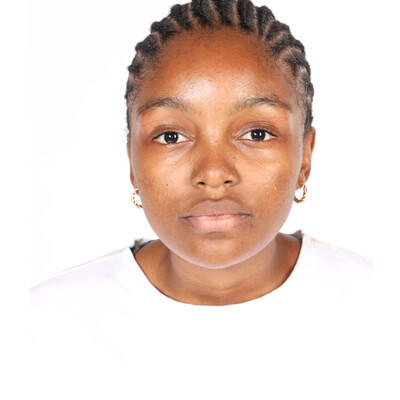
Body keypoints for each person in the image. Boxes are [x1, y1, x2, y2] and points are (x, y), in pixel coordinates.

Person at [31, 1, 372, 399]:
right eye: (171, 136)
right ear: (132, 160)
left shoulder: (377, 308)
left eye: (257, 134)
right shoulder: (41, 327)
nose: (213, 173)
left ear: (305, 156)